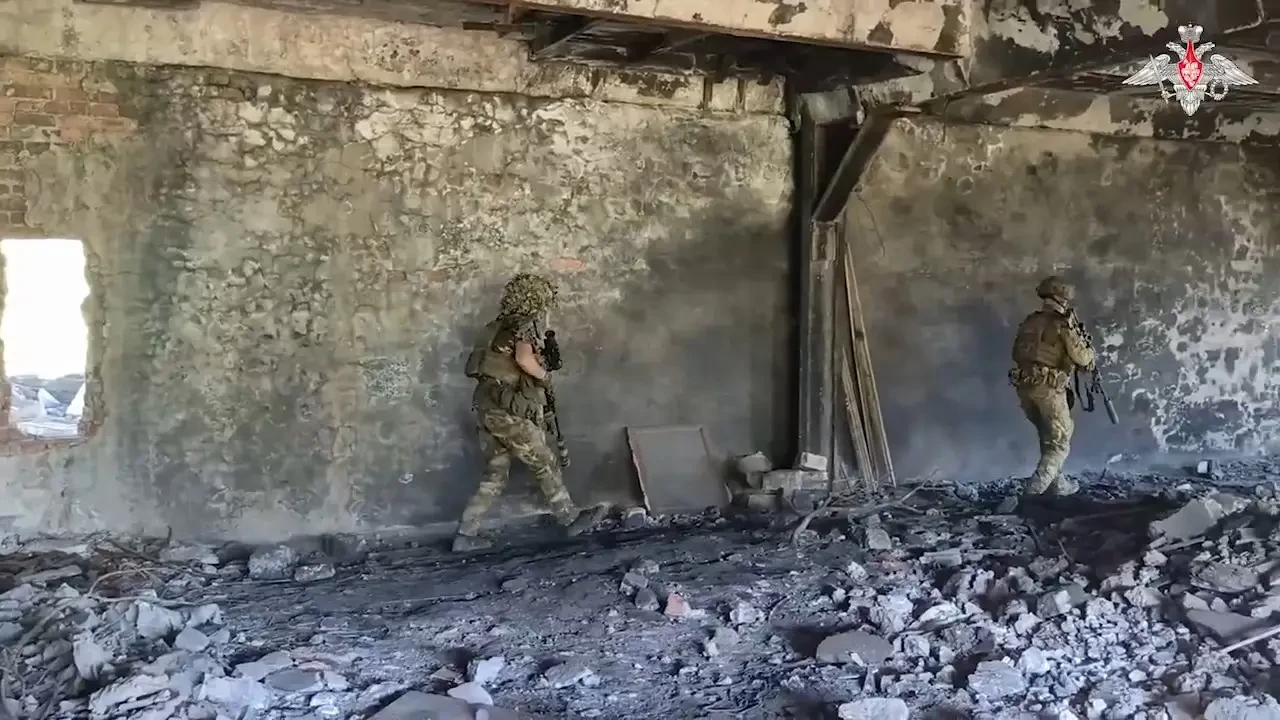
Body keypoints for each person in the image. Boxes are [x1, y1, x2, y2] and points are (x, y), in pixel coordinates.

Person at [454, 273, 606, 551]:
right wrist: (544, 375)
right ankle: (570, 518)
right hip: (507, 409)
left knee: (495, 473)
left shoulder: (493, 327)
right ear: (536, 300)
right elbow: (523, 359)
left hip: (487, 406)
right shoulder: (522, 326)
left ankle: (466, 534)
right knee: (544, 460)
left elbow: (495, 361)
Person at [1008, 275, 1096, 498]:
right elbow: (1082, 358)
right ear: (1063, 298)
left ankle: (1057, 485)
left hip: (1025, 387)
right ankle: (1032, 493)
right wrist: (1090, 351)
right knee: (1060, 443)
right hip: (1048, 389)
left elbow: (1017, 353)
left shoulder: (1030, 322)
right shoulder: (1062, 324)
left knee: (1049, 438)